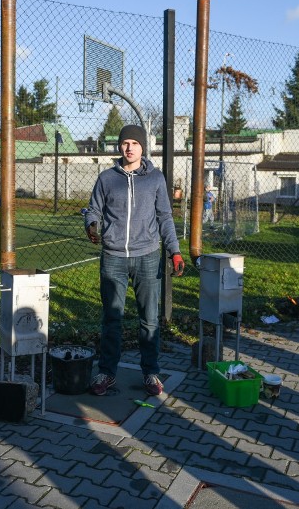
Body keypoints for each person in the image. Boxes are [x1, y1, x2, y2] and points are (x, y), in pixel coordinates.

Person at [84, 125, 185, 397]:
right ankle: (107, 372)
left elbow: (165, 217)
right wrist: (91, 224)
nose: (129, 147)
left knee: (149, 321)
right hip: (113, 257)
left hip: (148, 256)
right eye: (125, 143)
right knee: (111, 319)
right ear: (119, 147)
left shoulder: (155, 179)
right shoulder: (106, 178)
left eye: (134, 143)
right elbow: (93, 208)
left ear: (143, 147)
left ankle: (151, 373)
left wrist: (174, 251)